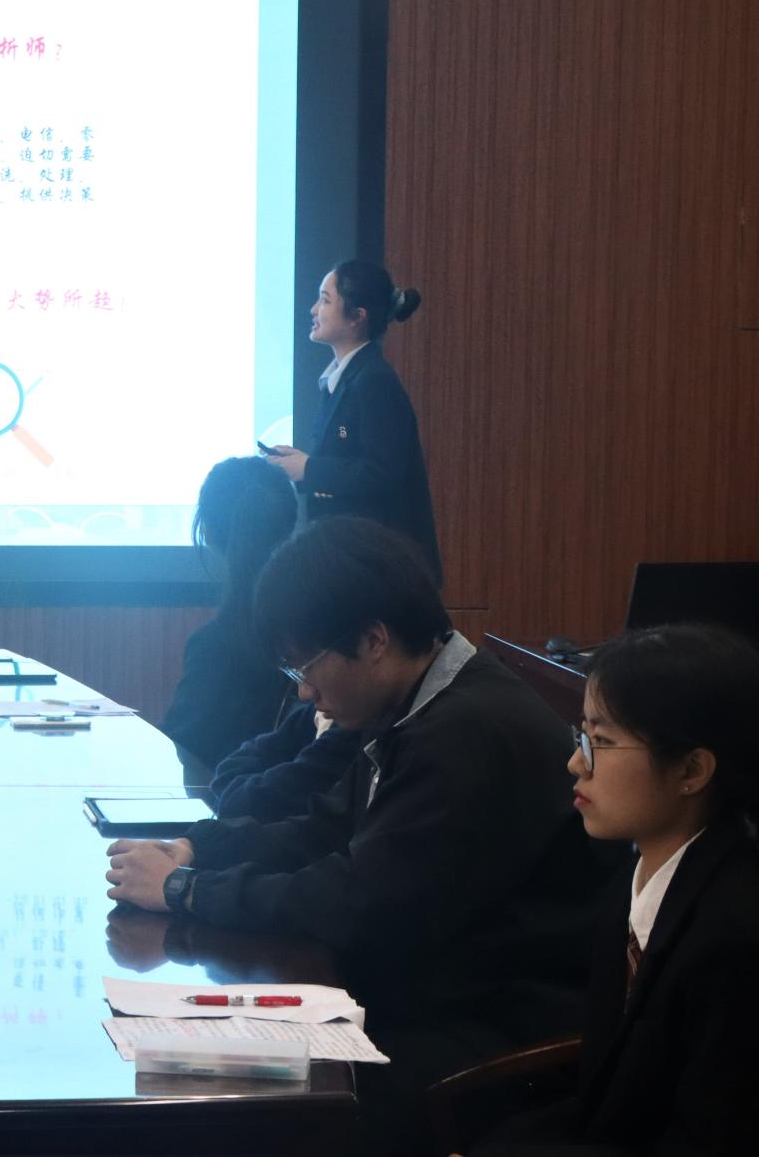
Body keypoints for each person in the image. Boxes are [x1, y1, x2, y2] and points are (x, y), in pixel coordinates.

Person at [105, 517, 616, 1148]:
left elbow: (357, 900)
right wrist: (197, 848)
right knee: (197, 1070)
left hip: (500, 1029)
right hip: (438, 989)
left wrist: (186, 890)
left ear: (374, 640)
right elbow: (325, 827)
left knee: (241, 1106)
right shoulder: (421, 700)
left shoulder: (466, 731)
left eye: (306, 664)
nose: (303, 690)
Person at [473, 625, 759, 1155]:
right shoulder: (643, 871)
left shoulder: (742, 945)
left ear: (691, 769)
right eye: (582, 736)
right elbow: (603, 1098)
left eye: (601, 742)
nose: (577, 763)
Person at [263, 259, 441, 583]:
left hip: (380, 569)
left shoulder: (373, 381)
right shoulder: (347, 379)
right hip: (356, 560)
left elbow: (381, 473)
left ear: (357, 317)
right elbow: (350, 453)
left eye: (325, 300)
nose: (313, 310)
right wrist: (299, 465)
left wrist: (309, 468)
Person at [160, 456, 299, 775]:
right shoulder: (316, 628)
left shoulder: (214, 645)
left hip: (219, 800)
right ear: (290, 525)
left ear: (207, 533)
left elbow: (176, 751)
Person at [205, 694, 361, 822]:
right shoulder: (322, 709)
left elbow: (254, 803)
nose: (303, 693)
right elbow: (230, 769)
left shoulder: (353, 721)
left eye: (307, 669)